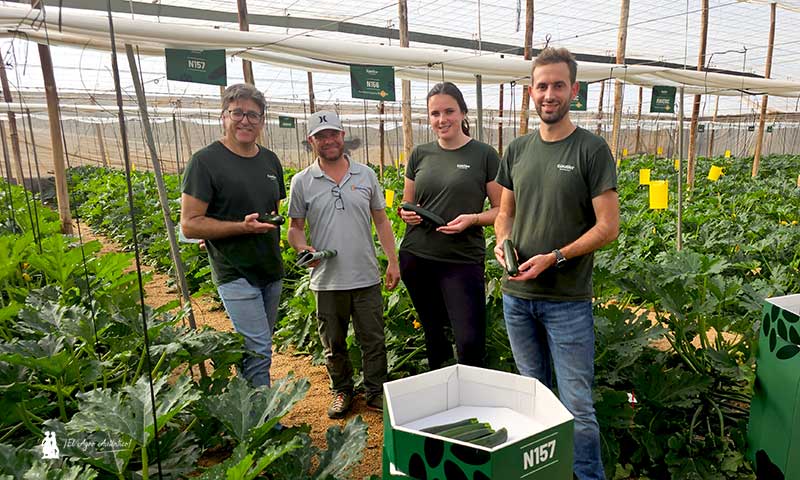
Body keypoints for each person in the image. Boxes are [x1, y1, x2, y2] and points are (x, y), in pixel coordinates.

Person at [493, 47, 619, 480]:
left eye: (558, 85)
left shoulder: (592, 149)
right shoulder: (517, 150)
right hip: (517, 297)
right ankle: (546, 472)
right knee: (535, 397)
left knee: (578, 406)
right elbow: (505, 213)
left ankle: (586, 476)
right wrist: (501, 243)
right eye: (542, 85)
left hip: (567, 301)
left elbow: (608, 227)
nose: (549, 94)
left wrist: (556, 257)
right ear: (531, 91)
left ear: (574, 91)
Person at [287, 110, 400, 419]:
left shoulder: (366, 175)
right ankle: (342, 391)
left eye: (333, 134)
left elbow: (381, 219)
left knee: (373, 339)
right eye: (321, 136)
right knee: (333, 343)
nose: (329, 140)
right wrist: (302, 246)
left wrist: (392, 260)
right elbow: (294, 227)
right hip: (326, 279)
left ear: (342, 135)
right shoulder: (302, 182)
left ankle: (376, 391)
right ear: (311, 141)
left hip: (365, 276)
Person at [181, 83, 285, 388]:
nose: (245, 121)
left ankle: (246, 407)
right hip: (233, 270)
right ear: (223, 116)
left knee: (257, 346)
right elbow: (189, 224)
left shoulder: (270, 161)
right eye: (237, 112)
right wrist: (240, 227)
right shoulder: (205, 161)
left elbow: (273, 210)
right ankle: (263, 425)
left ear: (262, 121)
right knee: (259, 348)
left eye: (253, 115)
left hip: (270, 267)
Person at [398, 82, 501, 370]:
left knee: (469, 341)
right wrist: (406, 214)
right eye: (434, 113)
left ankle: (471, 400)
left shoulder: (484, 155)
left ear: (463, 113)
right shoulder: (420, 154)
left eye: (449, 111)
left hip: (461, 259)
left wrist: (473, 219)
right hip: (417, 256)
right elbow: (408, 203)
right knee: (435, 334)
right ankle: (442, 396)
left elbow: (502, 210)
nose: (442, 120)